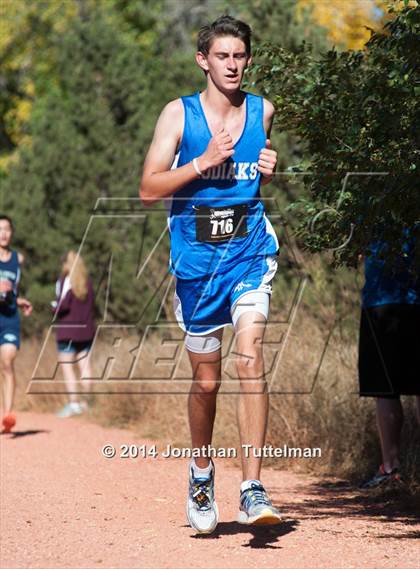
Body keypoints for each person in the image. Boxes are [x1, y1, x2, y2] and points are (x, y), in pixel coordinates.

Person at [140, 15, 281, 533]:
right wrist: (201, 162)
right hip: (197, 269)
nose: (232, 65)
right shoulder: (179, 115)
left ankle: (252, 488)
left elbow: (259, 172)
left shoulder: (263, 111)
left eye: (239, 56)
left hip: (248, 257)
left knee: (251, 358)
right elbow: (149, 189)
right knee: (206, 381)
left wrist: (271, 165)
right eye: (222, 56)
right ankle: (201, 470)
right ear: (204, 60)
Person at [358, 235, 420, 489]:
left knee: (385, 389)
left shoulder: (365, 201)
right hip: (416, 301)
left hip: (381, 302)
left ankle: (390, 467)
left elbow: (357, 249)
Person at [53, 250, 95, 418]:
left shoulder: (65, 281)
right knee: (85, 367)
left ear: (66, 264)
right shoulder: (88, 282)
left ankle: (73, 404)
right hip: (86, 332)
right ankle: (86, 404)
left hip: (67, 332)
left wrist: (53, 307)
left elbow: (61, 306)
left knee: (68, 369)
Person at [0, 214, 32, 434]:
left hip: (9, 318)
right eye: (0, 229)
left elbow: (12, 290)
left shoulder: (17, 259)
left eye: (7, 229)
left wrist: (19, 300)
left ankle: (8, 415)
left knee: (7, 361)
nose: (3, 233)